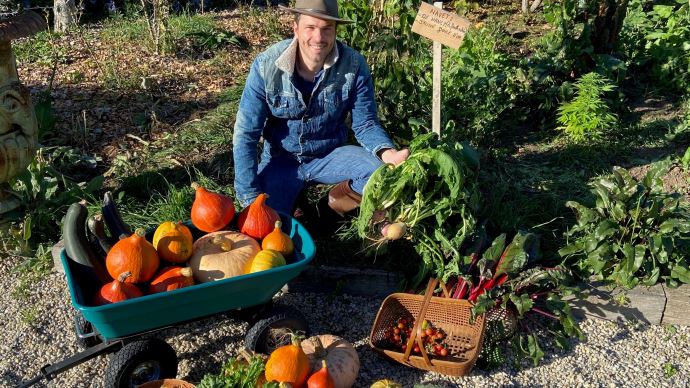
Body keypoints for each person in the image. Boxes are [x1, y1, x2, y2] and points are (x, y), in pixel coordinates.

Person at [232, 0, 409, 217]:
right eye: (311, 28)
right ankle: (292, 198)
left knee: (376, 173)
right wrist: (249, 197)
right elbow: (246, 134)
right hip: (282, 158)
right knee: (269, 218)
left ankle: (329, 209)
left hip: (330, 154)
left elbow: (365, 123)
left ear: (336, 31)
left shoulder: (353, 65)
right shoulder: (266, 66)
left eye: (327, 29)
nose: (318, 38)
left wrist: (387, 152)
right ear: (295, 28)